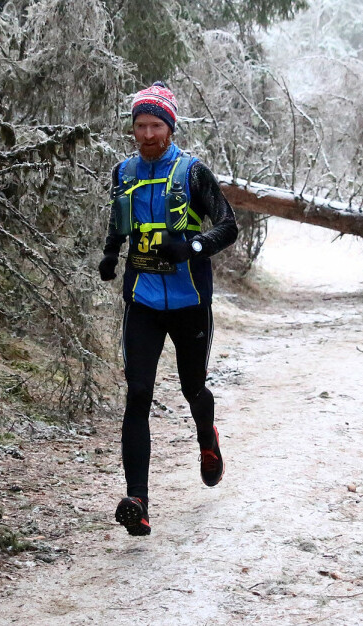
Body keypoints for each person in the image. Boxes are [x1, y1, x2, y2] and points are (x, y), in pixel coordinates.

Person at [98, 82, 238, 537]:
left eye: (156, 125)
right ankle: (137, 500)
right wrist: (109, 252)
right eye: (140, 125)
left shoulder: (193, 172)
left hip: (189, 300)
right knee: (137, 394)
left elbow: (228, 226)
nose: (147, 133)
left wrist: (193, 246)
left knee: (192, 387)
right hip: (141, 299)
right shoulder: (123, 171)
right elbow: (121, 221)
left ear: (170, 126)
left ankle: (207, 439)